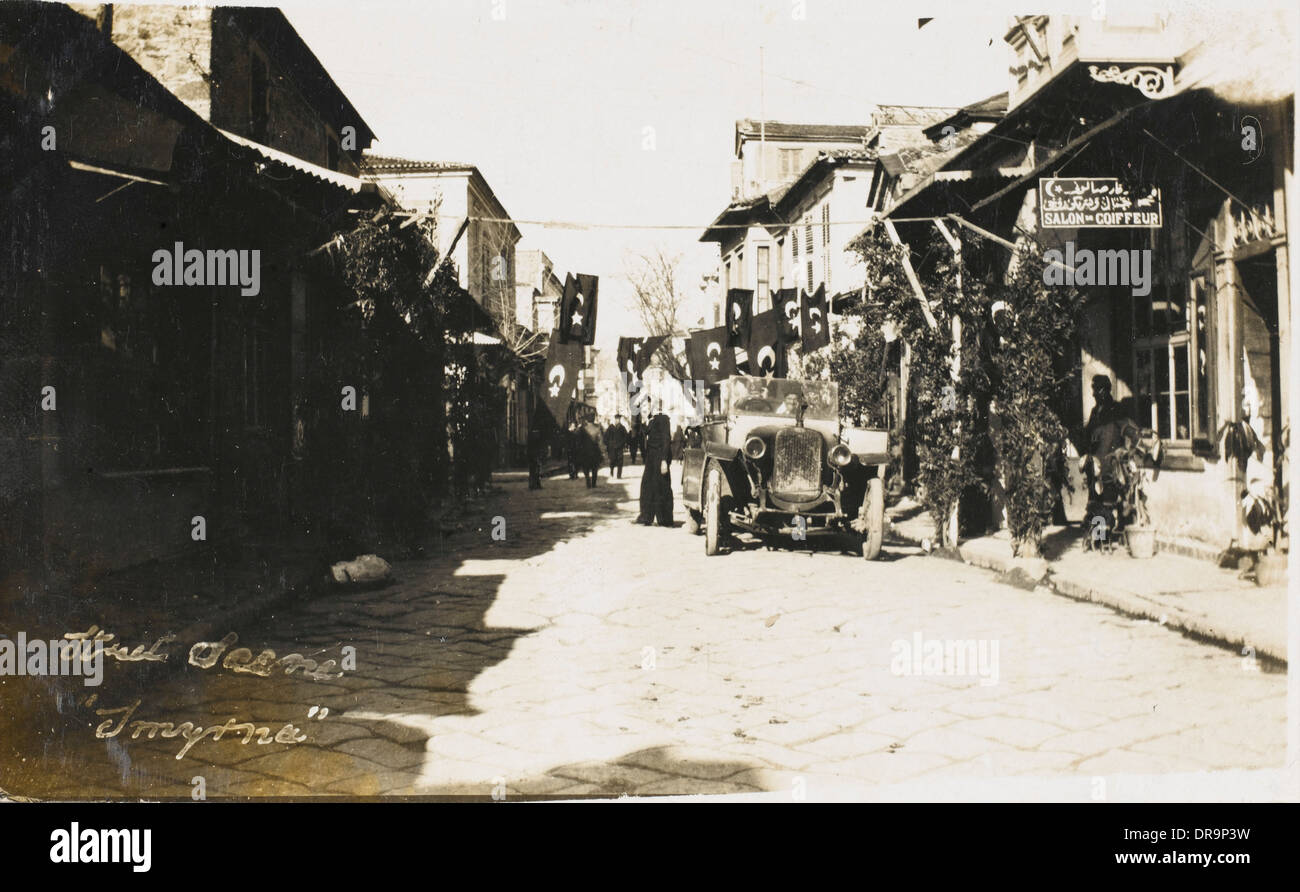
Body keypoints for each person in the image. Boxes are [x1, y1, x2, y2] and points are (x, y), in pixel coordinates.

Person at [636, 407, 674, 526]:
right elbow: (646, 432)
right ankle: (646, 516)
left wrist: (664, 460)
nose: (644, 409)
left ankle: (665, 519)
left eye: (646, 406)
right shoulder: (652, 420)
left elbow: (666, 439)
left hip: (659, 457)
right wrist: (643, 422)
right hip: (651, 458)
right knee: (648, 486)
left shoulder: (662, 418)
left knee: (661, 487)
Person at [578, 410, 605, 488]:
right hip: (595, 452)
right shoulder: (597, 428)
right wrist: (603, 452)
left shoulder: (583, 429)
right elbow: (600, 441)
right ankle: (593, 483)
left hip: (585, 452)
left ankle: (587, 479)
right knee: (594, 468)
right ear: (593, 419)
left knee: (585, 467)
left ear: (587, 419)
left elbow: (579, 441)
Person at [526, 411, 546, 490]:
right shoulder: (535, 434)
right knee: (535, 470)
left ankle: (534, 484)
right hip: (534, 454)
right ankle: (535, 484)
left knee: (534, 470)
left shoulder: (531, 434)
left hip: (532, 454)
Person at [604, 414, 628, 478]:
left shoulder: (622, 428)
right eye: (617, 419)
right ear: (614, 419)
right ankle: (611, 470)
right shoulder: (611, 427)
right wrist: (608, 444)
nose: (618, 420)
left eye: (619, 419)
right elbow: (606, 436)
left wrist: (623, 444)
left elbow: (626, 437)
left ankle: (619, 475)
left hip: (619, 447)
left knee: (620, 461)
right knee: (612, 460)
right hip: (612, 447)